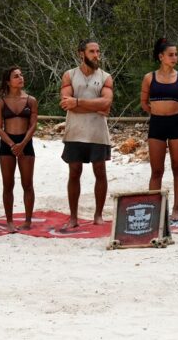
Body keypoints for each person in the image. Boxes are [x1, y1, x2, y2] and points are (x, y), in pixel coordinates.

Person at [60, 39, 113, 228]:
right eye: (92, 51)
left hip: (98, 132)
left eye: (98, 51)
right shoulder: (69, 75)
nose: (96, 55)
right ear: (81, 53)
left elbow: (106, 103)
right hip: (75, 131)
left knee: (100, 170)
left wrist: (78, 102)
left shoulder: (105, 77)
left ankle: (98, 215)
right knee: (74, 172)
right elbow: (66, 103)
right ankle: (73, 217)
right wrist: (94, 105)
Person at [140, 38, 178, 220]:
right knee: (157, 170)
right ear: (161, 56)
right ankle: (154, 209)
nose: (174, 57)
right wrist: (158, 111)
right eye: (171, 54)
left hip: (176, 124)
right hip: (156, 124)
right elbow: (144, 103)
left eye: (176, 54)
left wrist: (173, 111)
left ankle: (176, 209)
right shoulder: (149, 78)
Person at [0, 66, 38, 233]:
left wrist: (23, 143)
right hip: (7, 143)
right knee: (8, 184)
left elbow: (33, 125)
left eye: (21, 75)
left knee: (27, 183)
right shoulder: (1, 101)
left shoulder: (31, 100)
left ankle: (28, 220)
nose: (20, 78)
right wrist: (12, 145)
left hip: (26, 142)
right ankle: (9, 221)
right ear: (8, 81)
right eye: (16, 76)